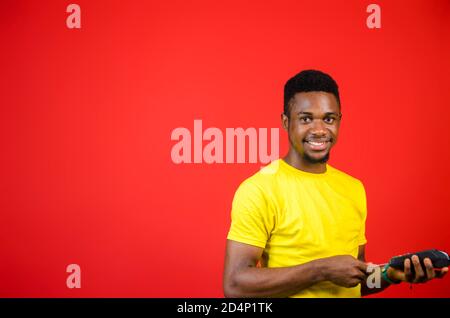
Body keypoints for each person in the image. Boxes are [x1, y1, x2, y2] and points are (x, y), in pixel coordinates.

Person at [223, 70, 448, 297]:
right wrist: (320, 270)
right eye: (306, 119)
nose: (319, 130)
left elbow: (355, 279)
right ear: (285, 121)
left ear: (340, 121)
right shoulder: (259, 189)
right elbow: (235, 285)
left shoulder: (353, 189)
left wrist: (391, 274)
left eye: (329, 119)